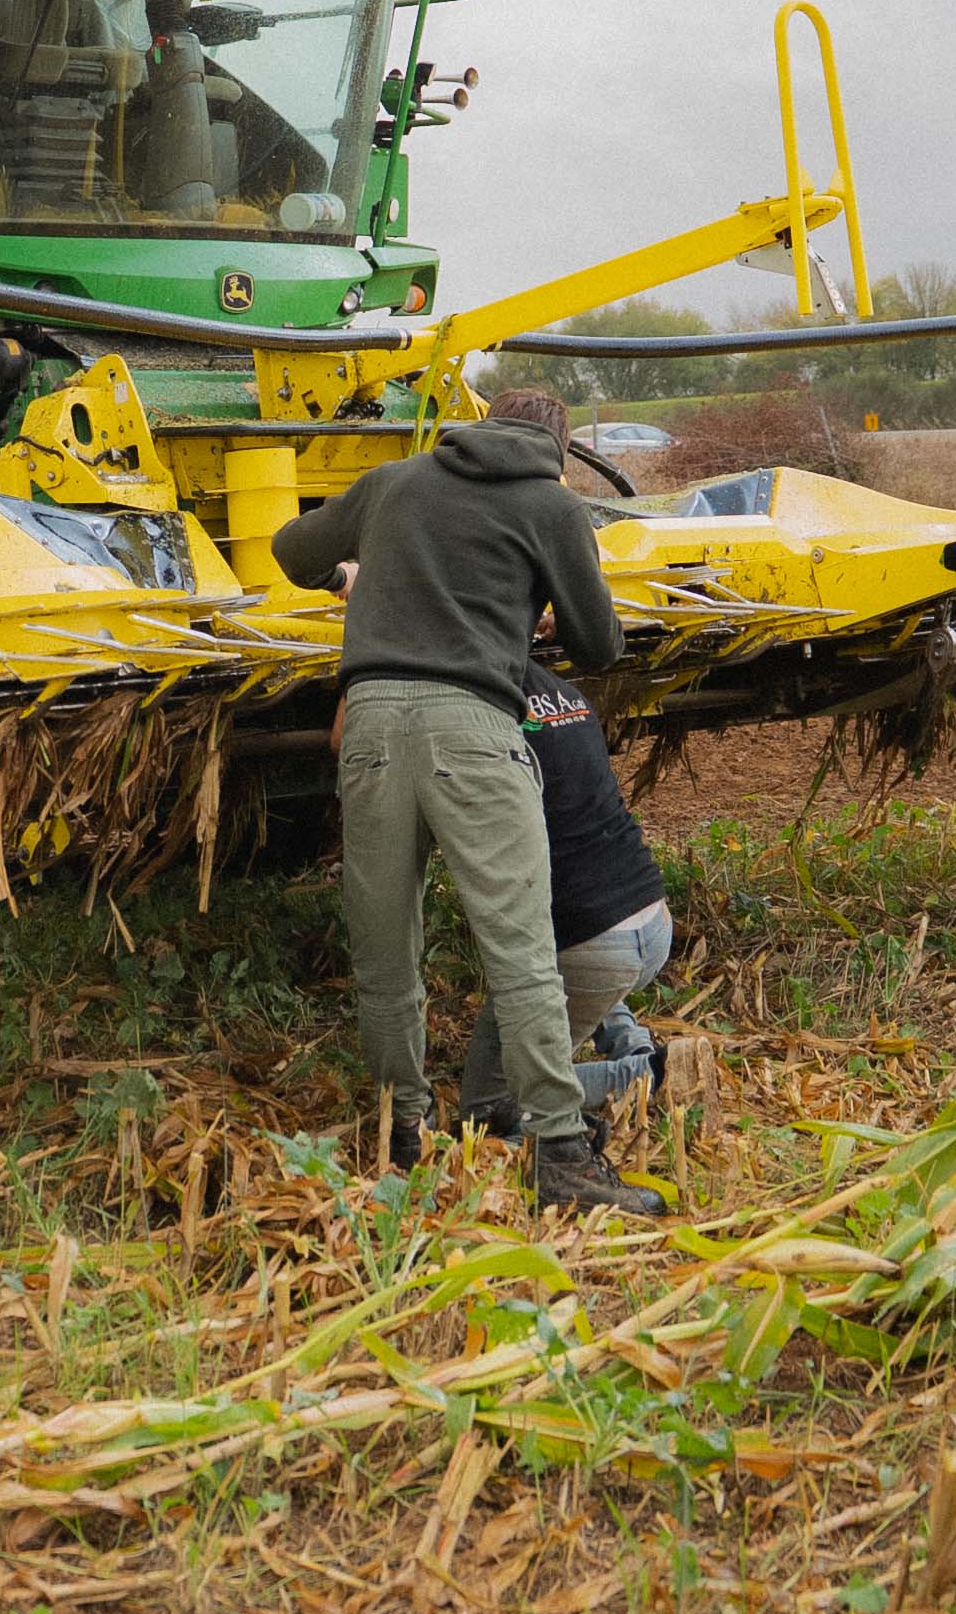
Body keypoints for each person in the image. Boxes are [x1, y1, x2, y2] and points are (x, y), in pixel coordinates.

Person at [272, 384, 666, 1218]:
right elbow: (600, 644)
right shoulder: (552, 505)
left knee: (386, 955)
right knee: (520, 953)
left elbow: (289, 549)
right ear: (557, 450)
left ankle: (402, 1142)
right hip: (475, 732)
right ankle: (560, 1156)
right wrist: (533, 612)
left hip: (371, 724)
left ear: (482, 426)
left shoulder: (398, 481)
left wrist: (351, 573)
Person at [454, 652, 673, 1150]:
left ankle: (646, 1074)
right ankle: (631, 1041)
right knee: (582, 986)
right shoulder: (566, 694)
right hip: (649, 919)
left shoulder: (480, 706)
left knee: (489, 1109)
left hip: (591, 949)